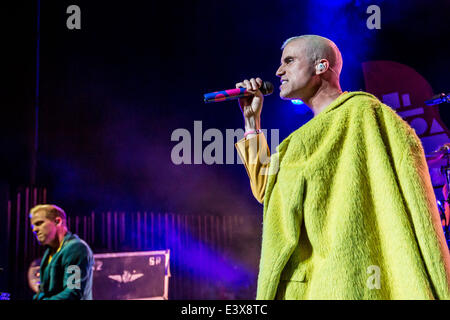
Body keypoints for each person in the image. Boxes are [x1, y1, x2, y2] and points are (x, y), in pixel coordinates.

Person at [234, 35, 450, 299]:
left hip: (355, 282)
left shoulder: (366, 114)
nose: (279, 71)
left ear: (321, 66)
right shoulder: (299, 141)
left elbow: (418, 206)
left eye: (289, 61)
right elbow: (268, 191)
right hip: (319, 286)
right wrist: (251, 123)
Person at [29, 204, 94, 300]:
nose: (34, 230)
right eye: (33, 226)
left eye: (39, 223)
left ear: (57, 221)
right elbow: (43, 292)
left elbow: (73, 292)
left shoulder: (76, 248)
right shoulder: (49, 252)